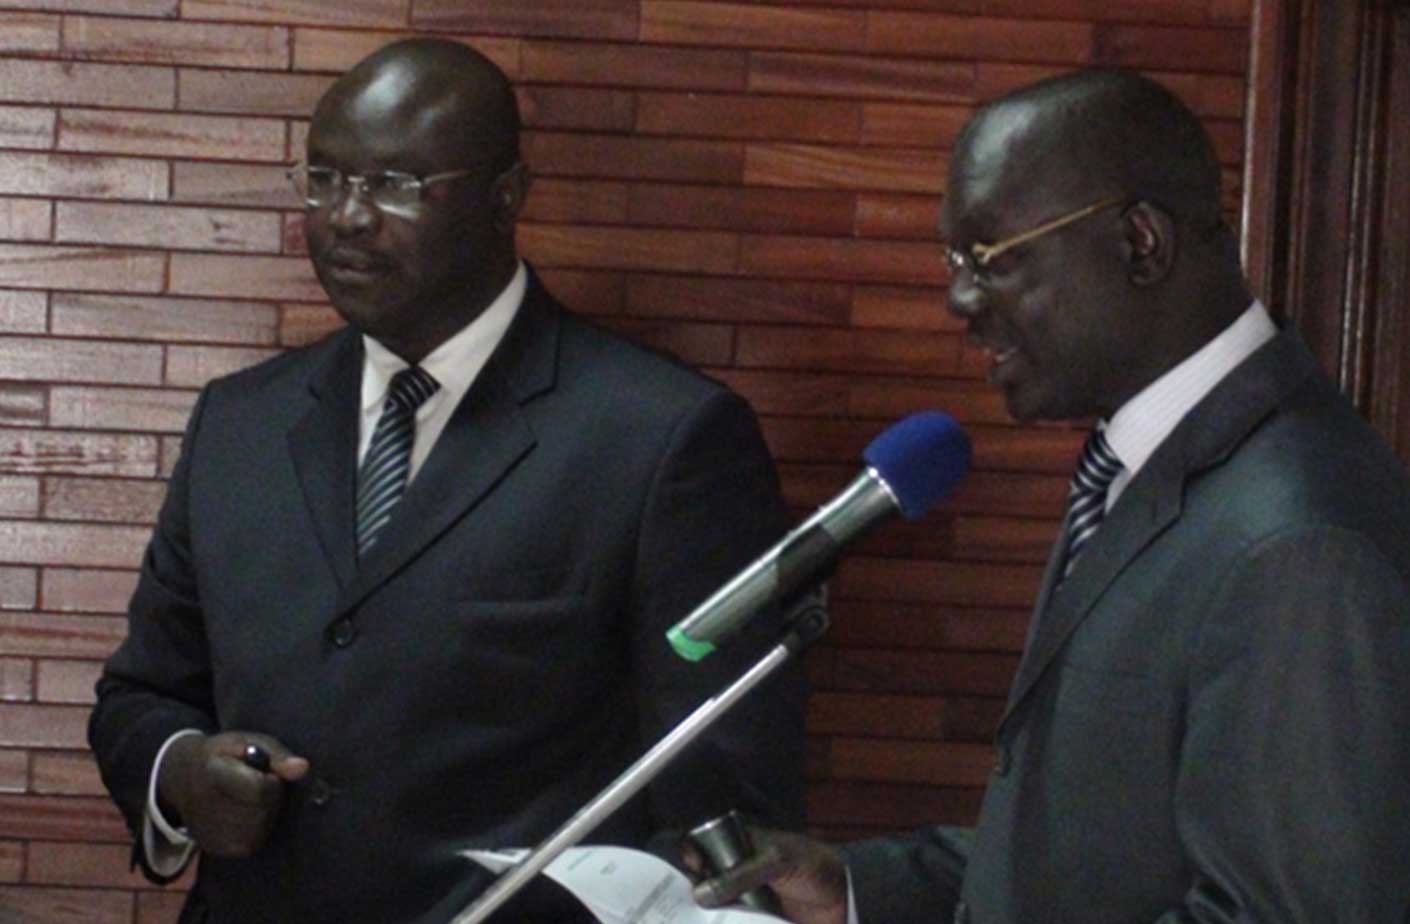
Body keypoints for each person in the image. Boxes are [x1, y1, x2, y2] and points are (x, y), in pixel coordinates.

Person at [88, 38, 806, 924]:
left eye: (395, 184)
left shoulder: (664, 439)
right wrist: (180, 775)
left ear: (506, 197)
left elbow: (720, 792)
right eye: (323, 179)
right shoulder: (238, 425)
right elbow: (144, 693)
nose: (347, 217)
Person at [689, 68, 1410, 924]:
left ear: (1140, 243)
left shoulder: (1299, 538)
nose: (958, 300)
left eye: (991, 259)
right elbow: (1097, 852)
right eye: (955, 262)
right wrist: (856, 892)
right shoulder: (1145, 466)